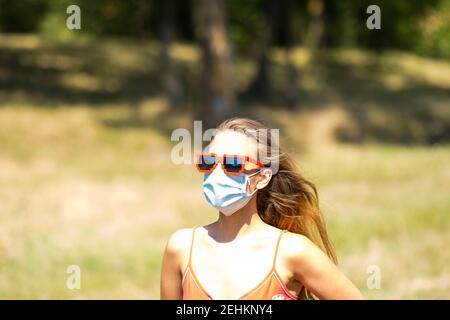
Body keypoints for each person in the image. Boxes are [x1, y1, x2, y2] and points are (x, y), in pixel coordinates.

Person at [161, 117, 364, 300]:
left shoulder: (293, 251)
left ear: (262, 178)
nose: (217, 173)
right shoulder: (181, 248)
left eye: (233, 164)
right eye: (209, 162)